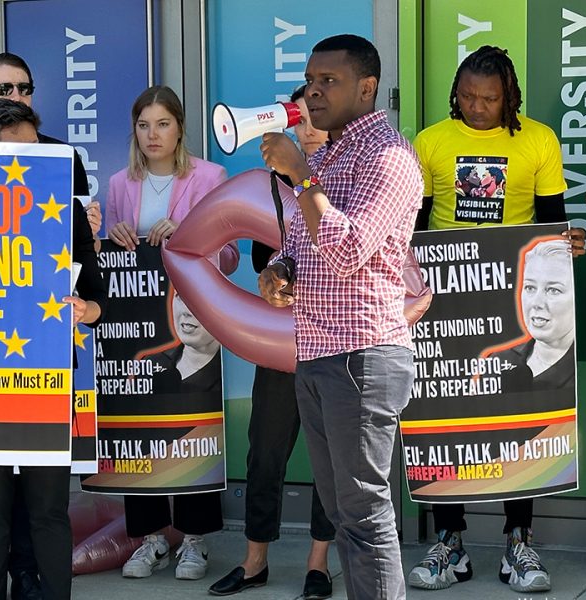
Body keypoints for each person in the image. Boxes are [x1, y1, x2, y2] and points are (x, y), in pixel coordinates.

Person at [410, 45, 586, 594]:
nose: (477, 107)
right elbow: (415, 225)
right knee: (443, 415)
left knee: (519, 415)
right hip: (444, 300)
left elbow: (551, 222)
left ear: (509, 97)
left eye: (488, 99)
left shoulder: (539, 139)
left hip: (513, 300)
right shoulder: (431, 141)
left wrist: (568, 243)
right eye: (466, 96)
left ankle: (519, 543)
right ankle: (450, 543)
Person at [257, 34, 423, 599]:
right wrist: (278, 271)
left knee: (365, 516)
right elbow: (301, 246)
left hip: (363, 357)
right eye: (310, 80)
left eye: (329, 81)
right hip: (317, 353)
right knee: (344, 514)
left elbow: (349, 250)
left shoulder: (390, 157)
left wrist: (300, 174)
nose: (313, 92)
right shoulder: (327, 155)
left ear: (367, 87)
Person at [0, 51, 103, 600]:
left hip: (47, 370)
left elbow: (95, 288)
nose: (27, 163)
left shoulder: (62, 186)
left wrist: (89, 310)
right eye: (15, 155)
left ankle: (42, 587)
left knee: (47, 507)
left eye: (34, 152)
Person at [106, 85, 237, 581]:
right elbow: (107, 260)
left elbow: (230, 256)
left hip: (192, 323)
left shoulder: (209, 177)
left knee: (192, 426)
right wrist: (111, 237)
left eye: (162, 124)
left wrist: (185, 234)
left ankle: (196, 540)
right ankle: (151, 538)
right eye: (143, 125)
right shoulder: (119, 183)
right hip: (136, 328)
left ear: (180, 127)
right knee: (137, 428)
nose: (152, 135)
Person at [209, 85, 335, 600]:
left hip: (336, 336)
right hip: (282, 339)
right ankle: (254, 560)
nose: (308, 128)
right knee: (264, 452)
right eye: (299, 119)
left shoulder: (346, 174)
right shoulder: (271, 181)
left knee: (329, 459)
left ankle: (318, 564)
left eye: (315, 117)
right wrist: (275, 279)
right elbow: (262, 257)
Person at [492, 239, 576, 393]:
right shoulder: (498, 362)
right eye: (530, 287)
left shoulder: (585, 369)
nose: (536, 303)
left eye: (553, 290)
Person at [148, 293, 221, 394]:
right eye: (181, 297)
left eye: (201, 299)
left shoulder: (230, 377)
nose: (187, 312)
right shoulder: (150, 365)